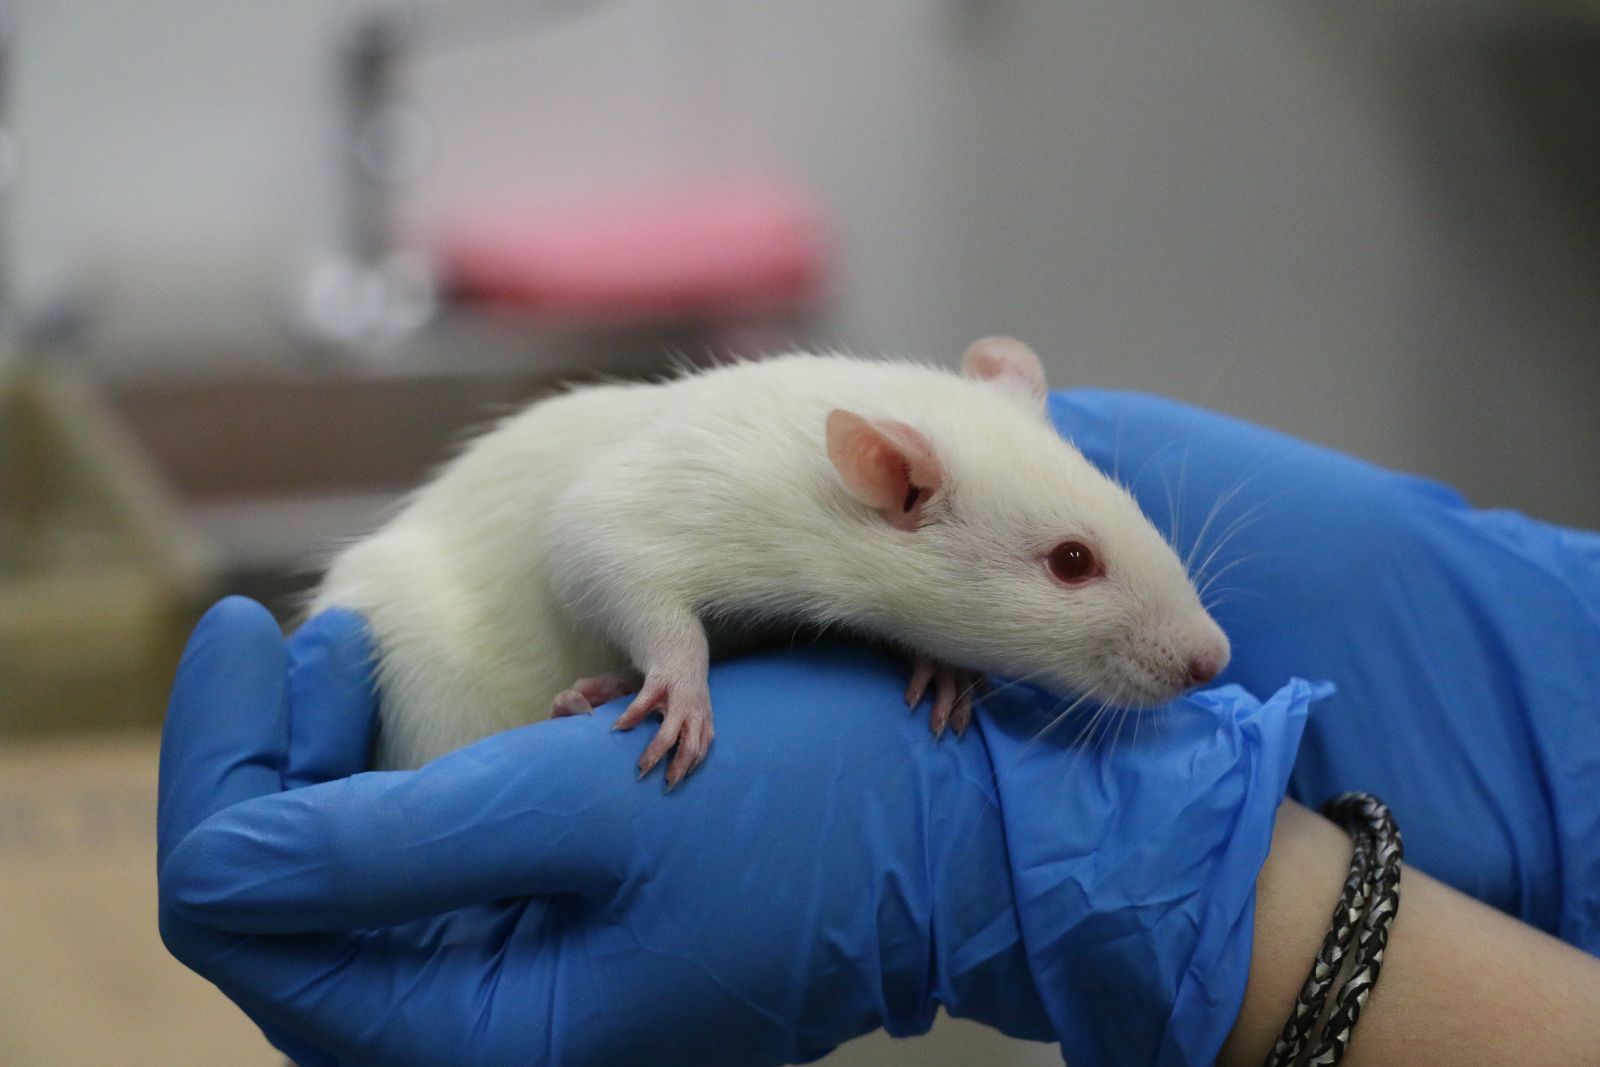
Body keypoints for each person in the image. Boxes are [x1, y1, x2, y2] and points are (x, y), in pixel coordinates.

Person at [157, 390, 1600, 1066]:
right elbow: (600, 529)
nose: (1203, 655)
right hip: (472, 654)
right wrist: (670, 649)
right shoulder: (815, 481)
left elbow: (869, 608)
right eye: (1079, 568)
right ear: (893, 481)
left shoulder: (899, 510)